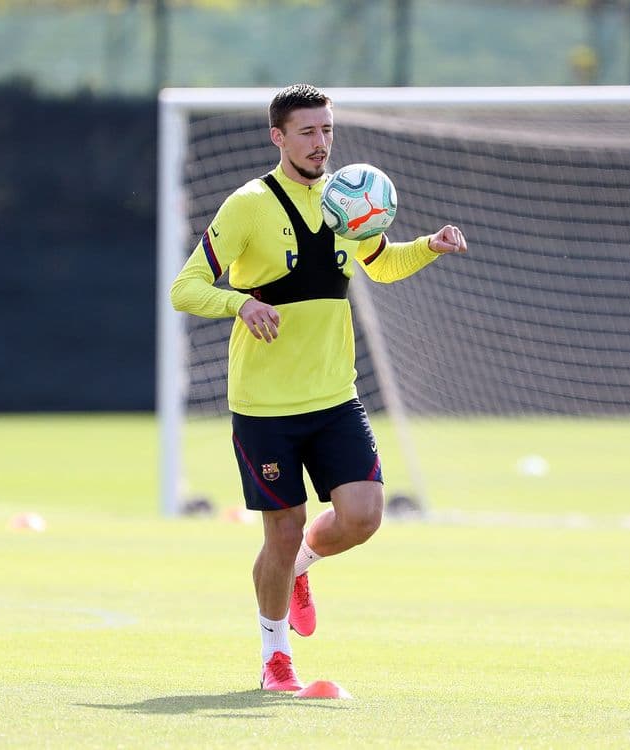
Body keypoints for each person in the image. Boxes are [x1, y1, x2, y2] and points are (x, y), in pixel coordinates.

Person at [170, 83, 467, 692]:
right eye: (307, 132)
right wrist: (240, 305)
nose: (320, 143)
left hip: (334, 396)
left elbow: (380, 264)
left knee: (363, 516)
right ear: (277, 137)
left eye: (327, 130)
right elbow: (185, 286)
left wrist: (429, 248)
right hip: (264, 407)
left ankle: (304, 564)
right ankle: (275, 657)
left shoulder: (347, 198)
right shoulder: (248, 205)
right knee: (280, 531)